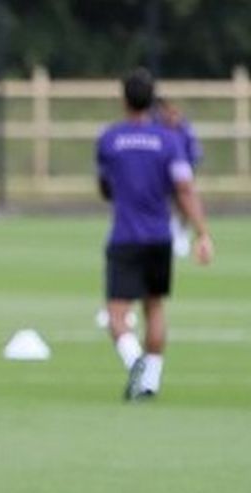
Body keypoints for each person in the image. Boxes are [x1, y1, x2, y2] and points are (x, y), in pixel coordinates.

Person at [96, 68, 212, 402]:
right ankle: (150, 382)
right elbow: (184, 189)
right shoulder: (169, 141)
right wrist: (202, 233)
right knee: (155, 307)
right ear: (152, 102)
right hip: (160, 236)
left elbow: (105, 187)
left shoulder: (110, 139)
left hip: (125, 236)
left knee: (117, 315)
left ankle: (136, 361)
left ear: (124, 100)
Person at [152, 96, 203, 257]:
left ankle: (181, 234)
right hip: (161, 176)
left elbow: (194, 154)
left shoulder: (185, 130)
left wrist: (187, 173)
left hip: (181, 172)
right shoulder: (157, 129)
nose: (172, 115)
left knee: (184, 202)